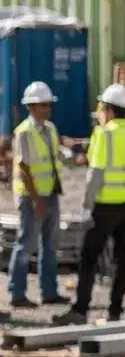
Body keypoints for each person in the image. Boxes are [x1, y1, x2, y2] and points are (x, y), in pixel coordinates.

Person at [55, 85, 125, 326]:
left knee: (89, 257)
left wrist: (87, 205)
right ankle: (115, 311)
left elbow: (95, 173)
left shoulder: (102, 134)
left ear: (107, 110)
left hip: (104, 205)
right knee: (121, 259)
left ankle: (80, 309)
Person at [10, 81, 65, 309]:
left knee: (49, 245)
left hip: (50, 193)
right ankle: (17, 293)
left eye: (48, 104)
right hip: (31, 198)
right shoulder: (23, 132)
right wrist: (36, 199)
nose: (47, 108)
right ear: (31, 106)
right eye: (43, 105)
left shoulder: (50, 129)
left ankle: (49, 292)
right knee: (26, 244)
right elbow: (24, 168)